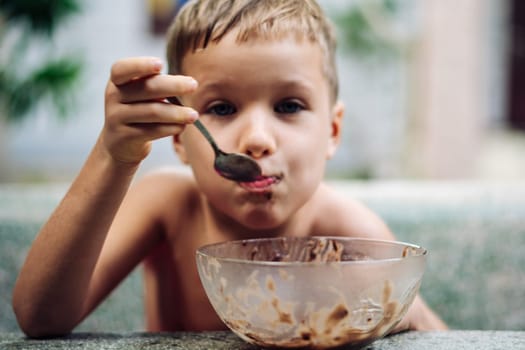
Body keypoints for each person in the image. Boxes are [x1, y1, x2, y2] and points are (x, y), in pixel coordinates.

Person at [12, 0, 447, 338]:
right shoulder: (168, 206)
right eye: (222, 107)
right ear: (180, 137)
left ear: (332, 131)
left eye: (288, 106)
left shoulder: (351, 234)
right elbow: (40, 316)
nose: (257, 137)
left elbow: (437, 337)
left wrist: (400, 316)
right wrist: (113, 157)